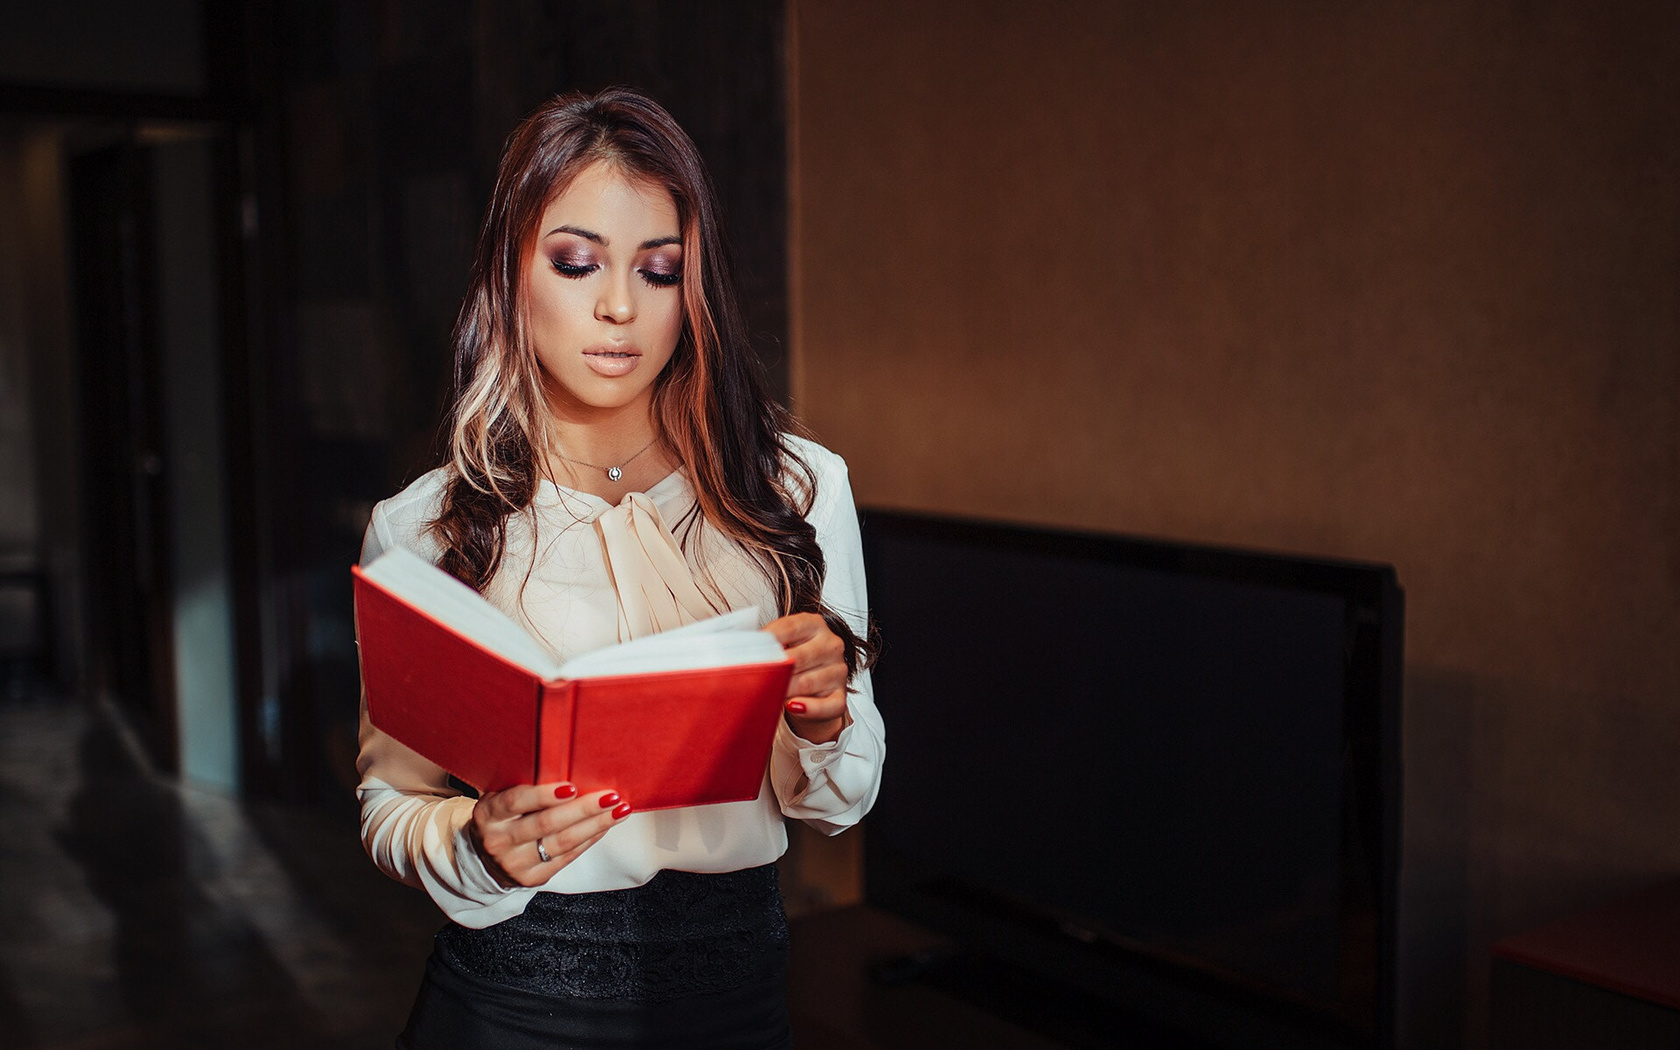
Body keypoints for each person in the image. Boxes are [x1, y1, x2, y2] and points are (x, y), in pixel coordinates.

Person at [354, 88, 884, 1049]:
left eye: (658, 270)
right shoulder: (425, 525)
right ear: (512, 273)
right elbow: (390, 804)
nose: (618, 307)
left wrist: (829, 713)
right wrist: (476, 850)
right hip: (511, 1000)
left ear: (697, 286)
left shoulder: (797, 490)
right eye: (576, 261)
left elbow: (843, 807)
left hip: (740, 993)